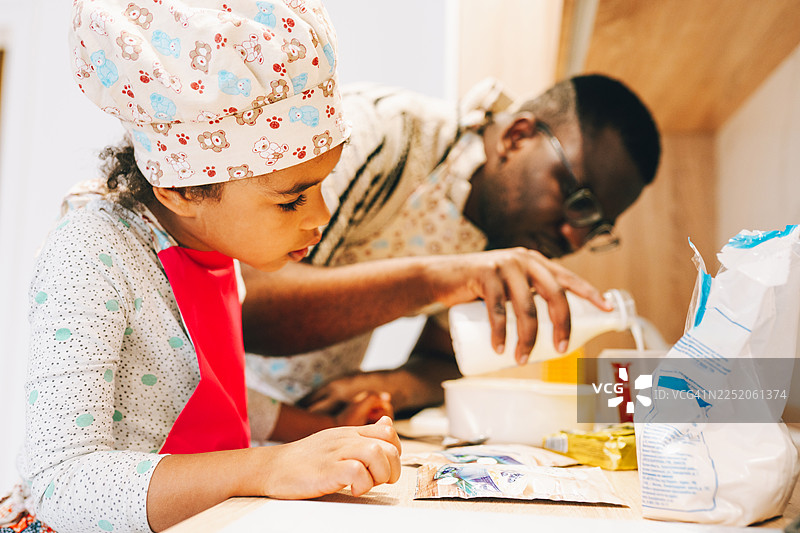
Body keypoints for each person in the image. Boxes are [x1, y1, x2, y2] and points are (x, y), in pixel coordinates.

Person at [9, 2, 406, 532]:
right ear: (182, 190)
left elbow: (193, 390)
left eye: (320, 186)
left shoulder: (210, 244)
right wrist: (268, 467)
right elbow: (60, 482)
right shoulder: (89, 254)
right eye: (292, 199)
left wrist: (319, 428)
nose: (321, 216)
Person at [240, 75, 661, 431]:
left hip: (299, 429)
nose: (574, 237)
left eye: (597, 228)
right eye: (580, 201)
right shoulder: (383, 135)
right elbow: (244, 301)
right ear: (517, 137)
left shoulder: (503, 236)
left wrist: (389, 386)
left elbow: (444, 356)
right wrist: (437, 281)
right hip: (217, 402)